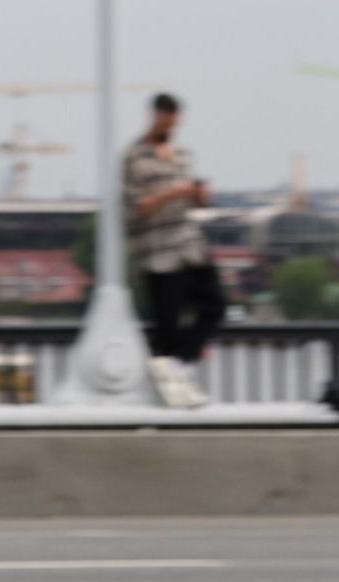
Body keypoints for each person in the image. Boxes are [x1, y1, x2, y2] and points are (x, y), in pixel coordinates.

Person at [125, 93, 223, 408]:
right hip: (158, 253)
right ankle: (169, 387)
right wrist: (171, 194)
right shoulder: (134, 157)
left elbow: (197, 203)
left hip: (189, 245)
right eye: (167, 123)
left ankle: (176, 367)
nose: (171, 129)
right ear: (155, 117)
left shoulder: (182, 155)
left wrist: (199, 195)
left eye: (175, 124)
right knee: (166, 328)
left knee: (215, 306)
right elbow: (136, 208)